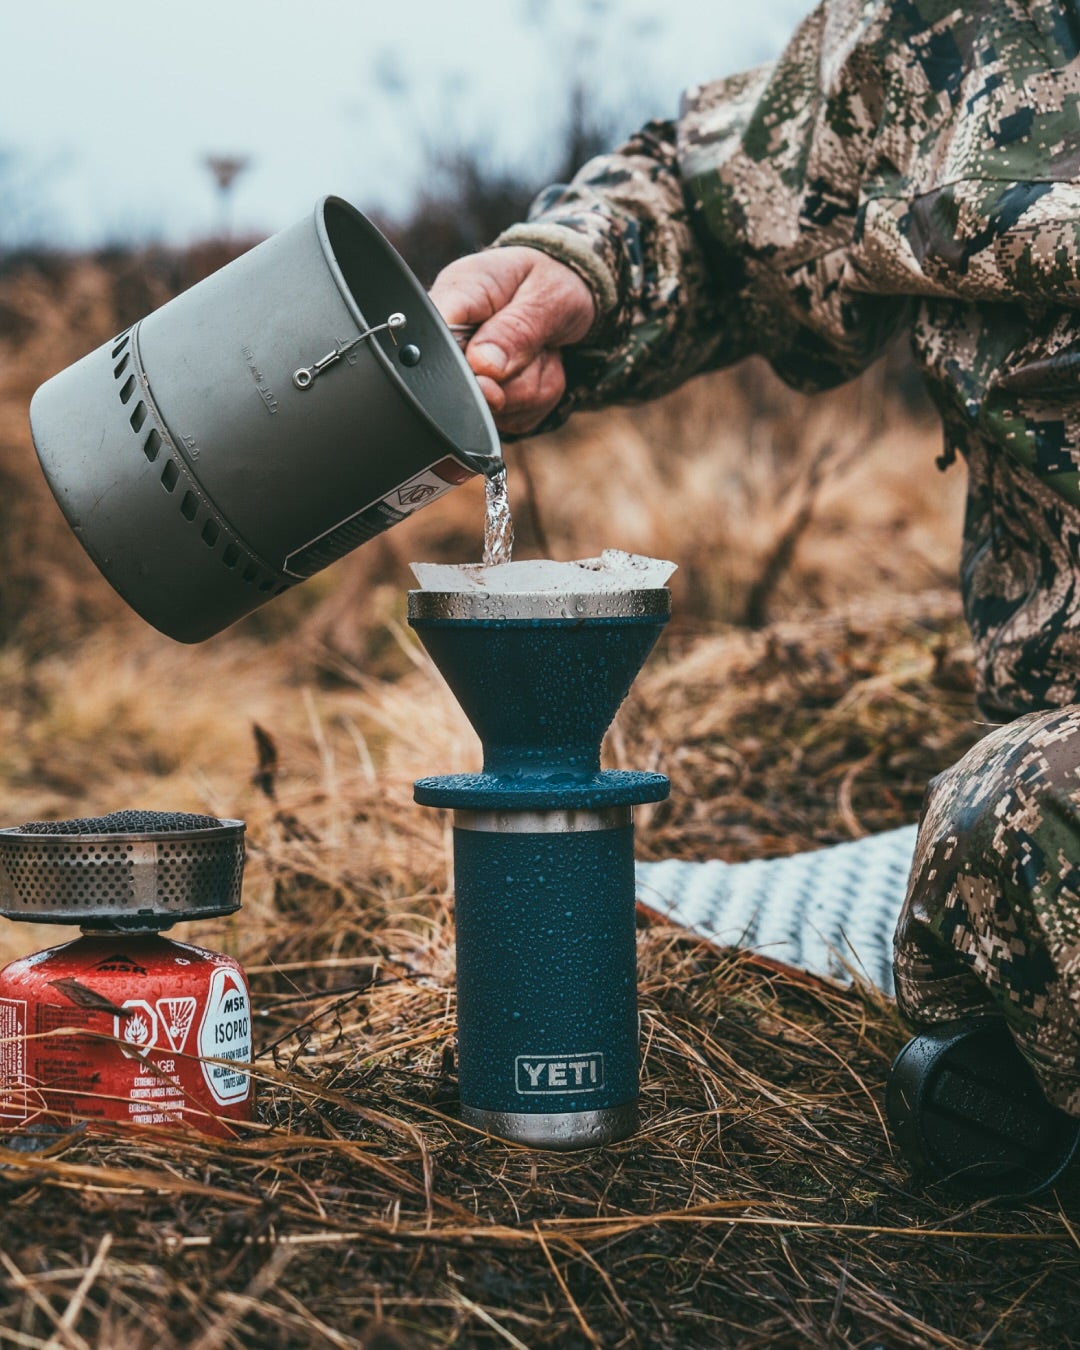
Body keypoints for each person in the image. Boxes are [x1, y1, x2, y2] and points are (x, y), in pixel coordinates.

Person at [430, 0, 1080, 1118]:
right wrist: (577, 266)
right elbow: (722, 191)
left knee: (1017, 817)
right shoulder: (978, 25)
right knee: (1018, 819)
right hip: (1045, 738)